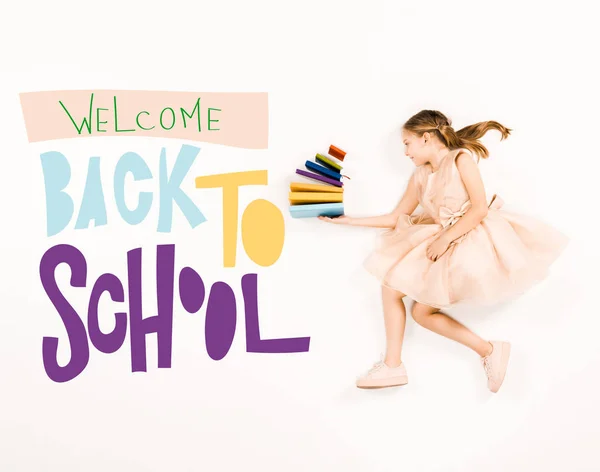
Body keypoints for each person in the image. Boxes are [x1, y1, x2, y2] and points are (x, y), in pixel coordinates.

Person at [319, 110, 569, 393]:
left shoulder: (460, 159)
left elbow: (479, 208)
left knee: (392, 289)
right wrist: (348, 220)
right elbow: (396, 216)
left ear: (426, 138)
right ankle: (488, 350)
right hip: (442, 242)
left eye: (407, 143)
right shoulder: (421, 174)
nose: (405, 152)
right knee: (421, 313)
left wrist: (445, 238)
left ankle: (393, 364)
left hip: (471, 241)